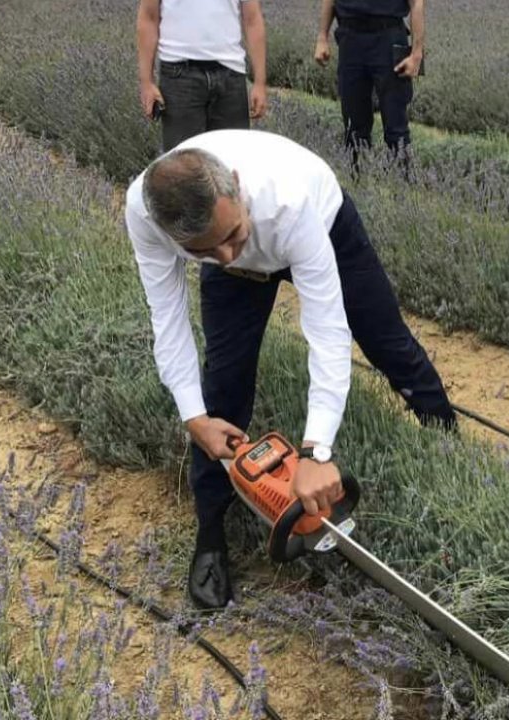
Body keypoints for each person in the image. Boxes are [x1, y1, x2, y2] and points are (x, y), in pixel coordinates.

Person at [124, 129, 458, 610]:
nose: (226, 257)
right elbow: (168, 317)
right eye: (203, 253)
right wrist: (193, 416)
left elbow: (327, 329)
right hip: (242, 237)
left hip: (323, 225)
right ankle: (211, 534)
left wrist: (316, 451)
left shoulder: (290, 201)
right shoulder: (146, 211)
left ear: (235, 187)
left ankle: (445, 439)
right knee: (223, 384)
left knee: (387, 343)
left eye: (232, 236)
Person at [136, 0, 269, 153]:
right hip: (179, 76)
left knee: (231, 163)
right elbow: (148, 16)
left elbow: (252, 19)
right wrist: (146, 82)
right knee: (182, 166)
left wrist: (260, 83)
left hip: (230, 74)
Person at [313, 0, 424, 165]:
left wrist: (416, 54)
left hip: (389, 37)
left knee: (396, 127)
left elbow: (416, 3)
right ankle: (356, 182)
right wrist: (322, 37)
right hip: (350, 38)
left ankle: (403, 182)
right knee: (354, 127)